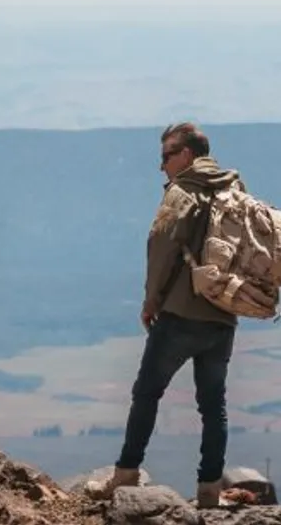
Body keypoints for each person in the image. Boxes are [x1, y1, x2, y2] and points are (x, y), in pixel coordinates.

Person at [100, 121, 243, 509]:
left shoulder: (183, 192)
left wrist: (151, 301)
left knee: (146, 393)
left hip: (181, 314)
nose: (161, 166)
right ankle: (210, 490)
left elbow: (161, 247)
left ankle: (126, 475)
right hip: (223, 316)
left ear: (187, 155)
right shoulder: (234, 190)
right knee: (214, 406)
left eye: (166, 156)